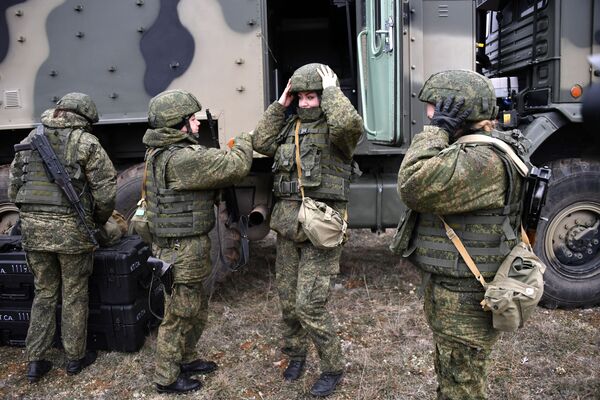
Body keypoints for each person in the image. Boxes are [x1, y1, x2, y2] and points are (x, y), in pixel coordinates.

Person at [397, 70, 529, 399]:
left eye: (436, 108)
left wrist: (436, 131)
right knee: (454, 376)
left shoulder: (481, 160)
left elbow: (412, 185)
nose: (429, 115)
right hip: (457, 292)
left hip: (467, 299)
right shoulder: (476, 151)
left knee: (463, 387)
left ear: (459, 113)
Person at [252, 63, 363, 397]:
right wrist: (280, 103)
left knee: (309, 305)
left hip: (321, 229)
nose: (305, 103)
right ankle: (296, 354)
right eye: (300, 97)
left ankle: (332, 367)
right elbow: (260, 140)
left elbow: (350, 124)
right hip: (288, 227)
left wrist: (333, 94)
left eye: (311, 97)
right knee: (288, 302)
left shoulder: (336, 130)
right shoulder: (289, 128)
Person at [143, 89, 253, 394]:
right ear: (177, 125)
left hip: (184, 245)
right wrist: (244, 138)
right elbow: (237, 165)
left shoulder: (162, 152)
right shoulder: (181, 158)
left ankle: (186, 358)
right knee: (178, 313)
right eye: (191, 119)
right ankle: (166, 376)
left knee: (195, 306)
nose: (196, 124)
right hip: (182, 248)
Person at [8, 92, 117, 382]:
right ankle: (74, 359)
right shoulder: (86, 143)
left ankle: (36, 361)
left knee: (44, 293)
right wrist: (98, 221)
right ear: (84, 117)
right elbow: (106, 193)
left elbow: (13, 188)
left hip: (33, 233)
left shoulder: (31, 138)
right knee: (74, 294)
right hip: (72, 233)